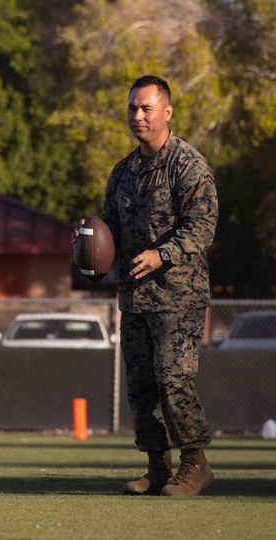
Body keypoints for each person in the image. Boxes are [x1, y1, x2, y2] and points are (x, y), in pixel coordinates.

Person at [89, 75, 218, 497]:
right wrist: (89, 243)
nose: (138, 116)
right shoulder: (123, 171)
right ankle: (157, 467)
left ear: (167, 111)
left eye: (145, 108)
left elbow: (203, 226)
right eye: (132, 108)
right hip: (135, 299)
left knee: (173, 380)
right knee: (141, 387)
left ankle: (195, 465)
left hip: (178, 298)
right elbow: (110, 226)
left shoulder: (188, 165)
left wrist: (163, 253)